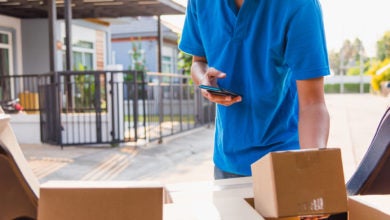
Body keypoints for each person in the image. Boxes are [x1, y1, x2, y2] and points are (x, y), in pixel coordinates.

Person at [179, 0, 330, 180]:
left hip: (284, 161)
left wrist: (315, 168)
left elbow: (313, 103)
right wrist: (204, 80)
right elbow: (199, 62)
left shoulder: (300, 5)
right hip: (227, 161)